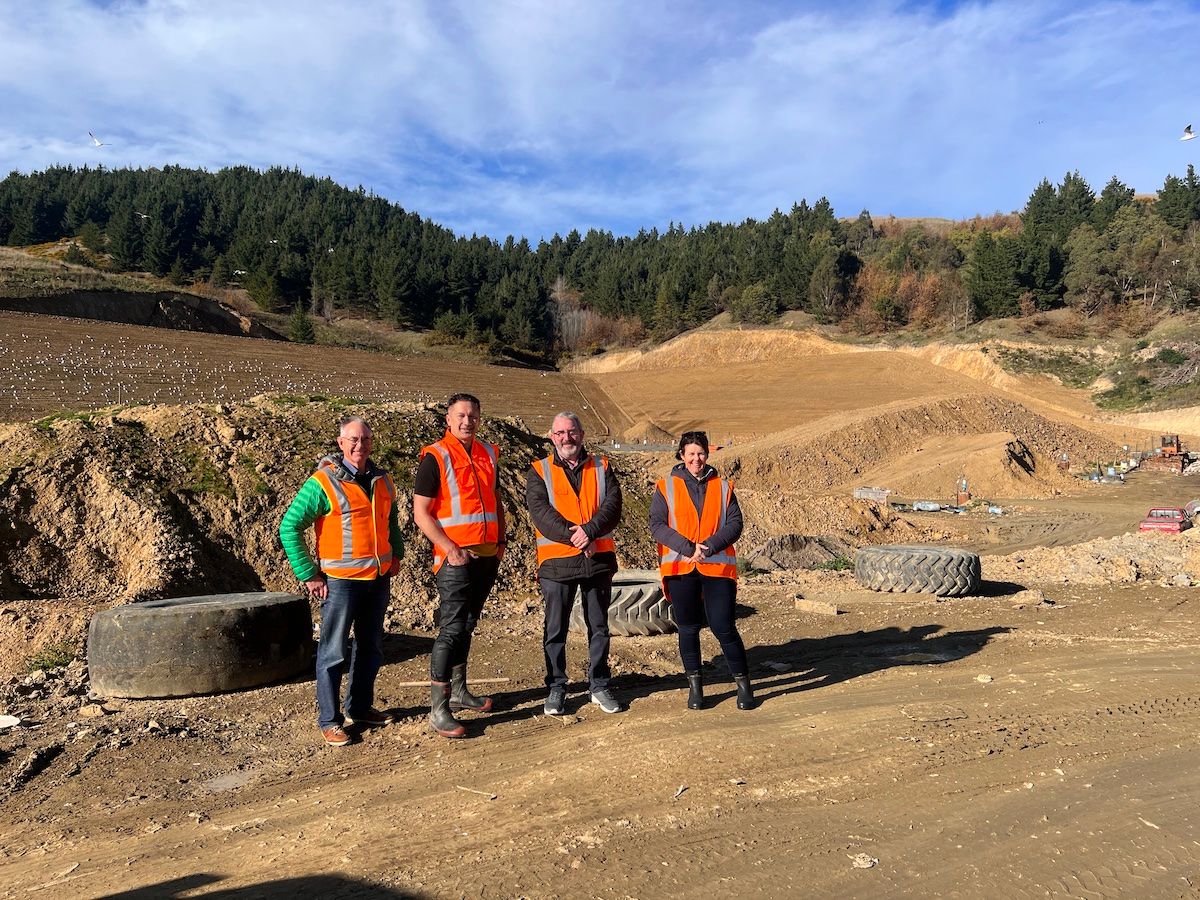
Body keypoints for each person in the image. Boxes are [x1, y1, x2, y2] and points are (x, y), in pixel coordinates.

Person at [280, 415, 404, 747]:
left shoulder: (382, 480)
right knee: (333, 652)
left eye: (365, 439)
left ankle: (360, 708)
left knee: (370, 648)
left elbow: (391, 519)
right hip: (339, 583)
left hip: (376, 579)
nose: (360, 445)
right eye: (353, 440)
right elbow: (289, 527)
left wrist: (396, 555)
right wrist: (309, 574)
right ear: (341, 443)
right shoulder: (322, 483)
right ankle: (330, 720)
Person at [413, 393, 506, 738]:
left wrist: (501, 543)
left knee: (467, 624)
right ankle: (439, 710)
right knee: (451, 629)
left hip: (485, 555)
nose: (468, 422)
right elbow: (421, 513)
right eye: (461, 416)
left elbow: (496, 500)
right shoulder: (435, 457)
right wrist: (449, 547)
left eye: (473, 416)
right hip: (455, 558)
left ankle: (461, 690)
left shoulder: (488, 453)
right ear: (448, 420)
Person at [649, 430, 755, 711]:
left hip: (717, 566)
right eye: (691, 454)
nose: (697, 459)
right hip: (681, 567)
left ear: (707, 455)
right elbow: (658, 526)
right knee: (688, 628)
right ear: (681, 456)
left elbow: (735, 524)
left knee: (724, 627)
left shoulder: (723, 487)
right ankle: (696, 689)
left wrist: (708, 546)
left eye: (701, 453)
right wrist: (687, 548)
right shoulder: (665, 487)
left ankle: (743, 685)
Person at [526, 412, 623, 716]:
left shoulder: (603, 467)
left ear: (581, 434)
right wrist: (577, 536)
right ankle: (556, 687)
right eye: (560, 433)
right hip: (557, 564)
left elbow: (613, 505)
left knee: (599, 627)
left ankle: (599, 685)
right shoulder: (539, 471)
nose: (566, 438)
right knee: (555, 629)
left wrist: (590, 531)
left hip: (597, 560)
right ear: (551, 436)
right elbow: (541, 513)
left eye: (572, 432)